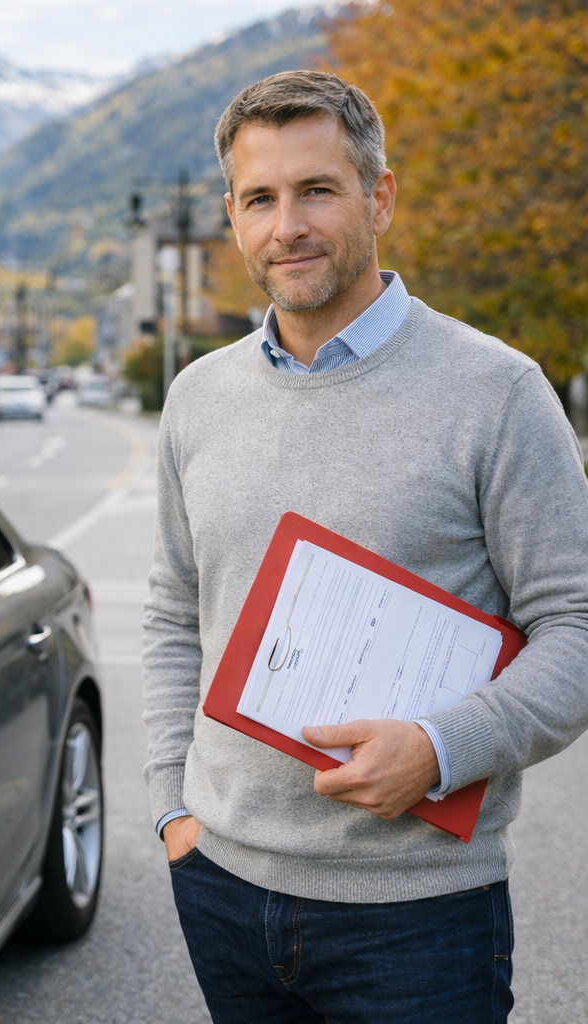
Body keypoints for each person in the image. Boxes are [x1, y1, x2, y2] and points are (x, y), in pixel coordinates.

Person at [142, 69, 588, 1023]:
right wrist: (172, 810)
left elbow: (578, 629)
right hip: (221, 886)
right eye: (260, 199)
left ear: (378, 197)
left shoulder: (498, 392)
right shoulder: (198, 398)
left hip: (417, 919)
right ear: (232, 217)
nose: (286, 226)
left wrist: (439, 748)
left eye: (317, 190)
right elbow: (175, 614)